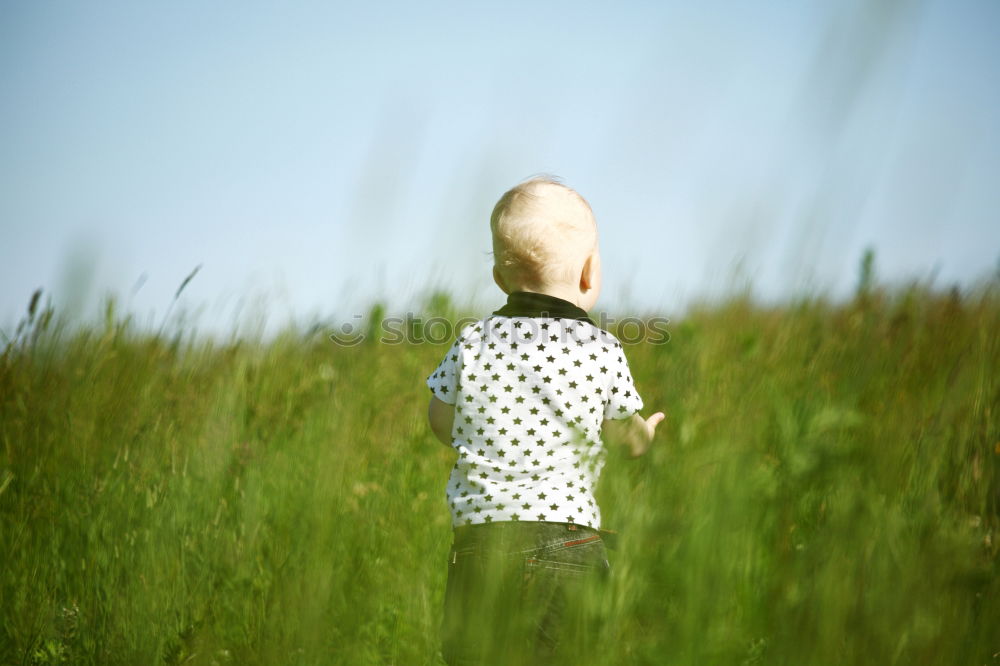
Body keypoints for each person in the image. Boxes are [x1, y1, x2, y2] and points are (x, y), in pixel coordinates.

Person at [426, 175, 664, 665]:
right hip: (567, 544)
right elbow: (626, 437)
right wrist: (646, 434)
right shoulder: (600, 349)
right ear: (589, 273)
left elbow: (440, 421)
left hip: (479, 546)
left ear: (498, 277)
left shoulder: (473, 341)